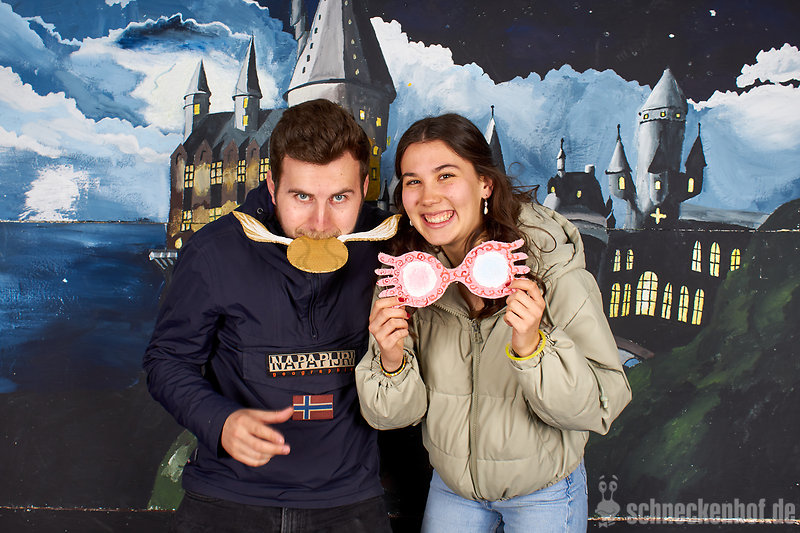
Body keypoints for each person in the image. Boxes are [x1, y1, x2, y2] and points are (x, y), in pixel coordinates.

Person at [356, 114, 632, 533]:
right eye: (413, 181)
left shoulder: (551, 267)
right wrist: (391, 361)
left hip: (543, 491)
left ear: (485, 183)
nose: (429, 197)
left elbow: (603, 404)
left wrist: (533, 348)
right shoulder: (406, 279)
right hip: (452, 489)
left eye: (446, 175)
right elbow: (392, 417)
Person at [143, 99, 394, 533]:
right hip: (229, 494)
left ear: (365, 187)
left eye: (340, 197)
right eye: (302, 196)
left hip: (348, 499)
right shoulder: (214, 252)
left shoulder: (390, 248)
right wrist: (219, 420)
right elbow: (166, 360)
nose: (320, 222)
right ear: (273, 187)